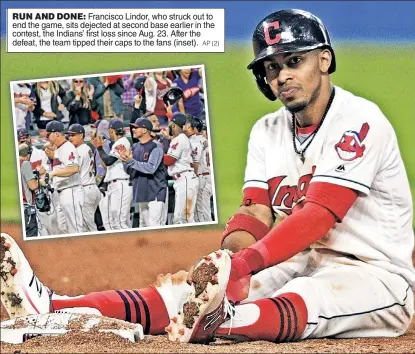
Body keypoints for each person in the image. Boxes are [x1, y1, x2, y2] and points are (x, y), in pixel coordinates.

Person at [1, 8, 414, 347]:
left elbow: (319, 214)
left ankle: (222, 322)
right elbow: (255, 213)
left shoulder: (360, 121)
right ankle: (56, 307)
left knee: (309, 296)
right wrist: (223, 268)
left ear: (323, 60)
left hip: (378, 275)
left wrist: (246, 264)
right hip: (302, 258)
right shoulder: (267, 131)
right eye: (272, 67)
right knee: (185, 294)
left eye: (294, 60)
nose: (283, 75)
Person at [119, 118, 167, 227]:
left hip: (155, 191)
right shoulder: (135, 147)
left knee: (155, 226)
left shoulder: (156, 147)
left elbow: (151, 168)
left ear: (145, 130)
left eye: (136, 127)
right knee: (145, 226)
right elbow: (129, 171)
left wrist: (131, 161)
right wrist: (125, 160)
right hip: (141, 191)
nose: (133, 130)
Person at [44, 120, 86, 234]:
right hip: (61, 192)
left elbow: (74, 168)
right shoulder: (59, 148)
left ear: (57, 134)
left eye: (48, 135)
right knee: (63, 228)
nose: (46, 137)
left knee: (75, 228)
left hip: (71, 190)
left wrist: (54, 172)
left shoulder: (68, 147)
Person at [91, 118, 133, 229]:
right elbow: (105, 164)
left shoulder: (122, 142)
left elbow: (109, 161)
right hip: (115, 184)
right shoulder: (116, 144)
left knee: (119, 222)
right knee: (116, 222)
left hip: (121, 184)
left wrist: (99, 148)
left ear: (111, 130)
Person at [163, 113, 199, 224]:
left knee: (183, 219)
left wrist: (156, 152)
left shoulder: (179, 139)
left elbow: (169, 160)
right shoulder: (179, 139)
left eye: (170, 125)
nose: (168, 127)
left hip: (185, 179)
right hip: (183, 180)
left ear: (174, 126)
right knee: (183, 218)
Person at [67, 124, 102, 232]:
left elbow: (74, 170)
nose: (70, 137)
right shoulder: (86, 148)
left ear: (81, 135)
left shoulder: (80, 150)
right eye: (69, 135)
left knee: (88, 226)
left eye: (73, 135)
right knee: (86, 225)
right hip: (91, 188)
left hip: (86, 190)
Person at [184, 117, 213, 222]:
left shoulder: (194, 141)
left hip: (202, 176)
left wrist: (194, 178)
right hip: (206, 176)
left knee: (201, 211)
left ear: (195, 128)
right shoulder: (205, 141)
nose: (185, 128)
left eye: (187, 126)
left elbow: (196, 163)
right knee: (200, 210)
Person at [18, 144, 39, 237]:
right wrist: (39, 181)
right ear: (28, 154)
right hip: (26, 206)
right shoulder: (24, 163)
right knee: (31, 235)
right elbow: (33, 186)